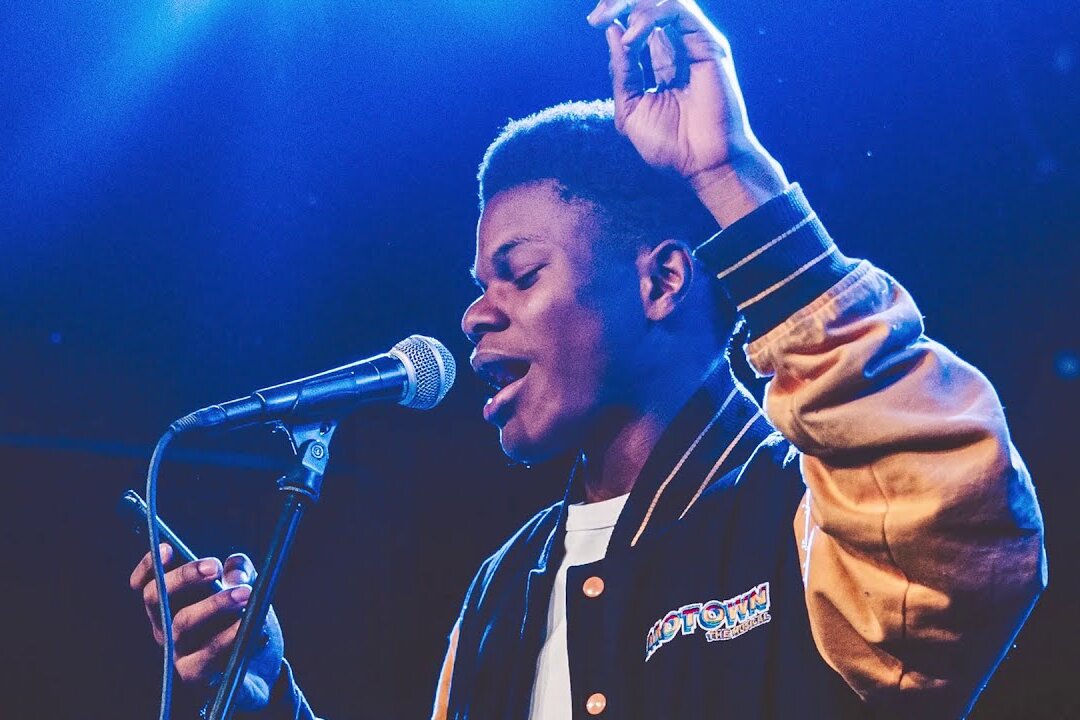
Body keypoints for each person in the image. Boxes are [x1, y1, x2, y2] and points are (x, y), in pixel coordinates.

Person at [129, 1, 1047, 717]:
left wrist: (728, 173)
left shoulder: (807, 517)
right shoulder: (501, 593)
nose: (474, 316)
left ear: (661, 283)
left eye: (518, 274)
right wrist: (261, 697)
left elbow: (957, 504)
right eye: (479, 283)